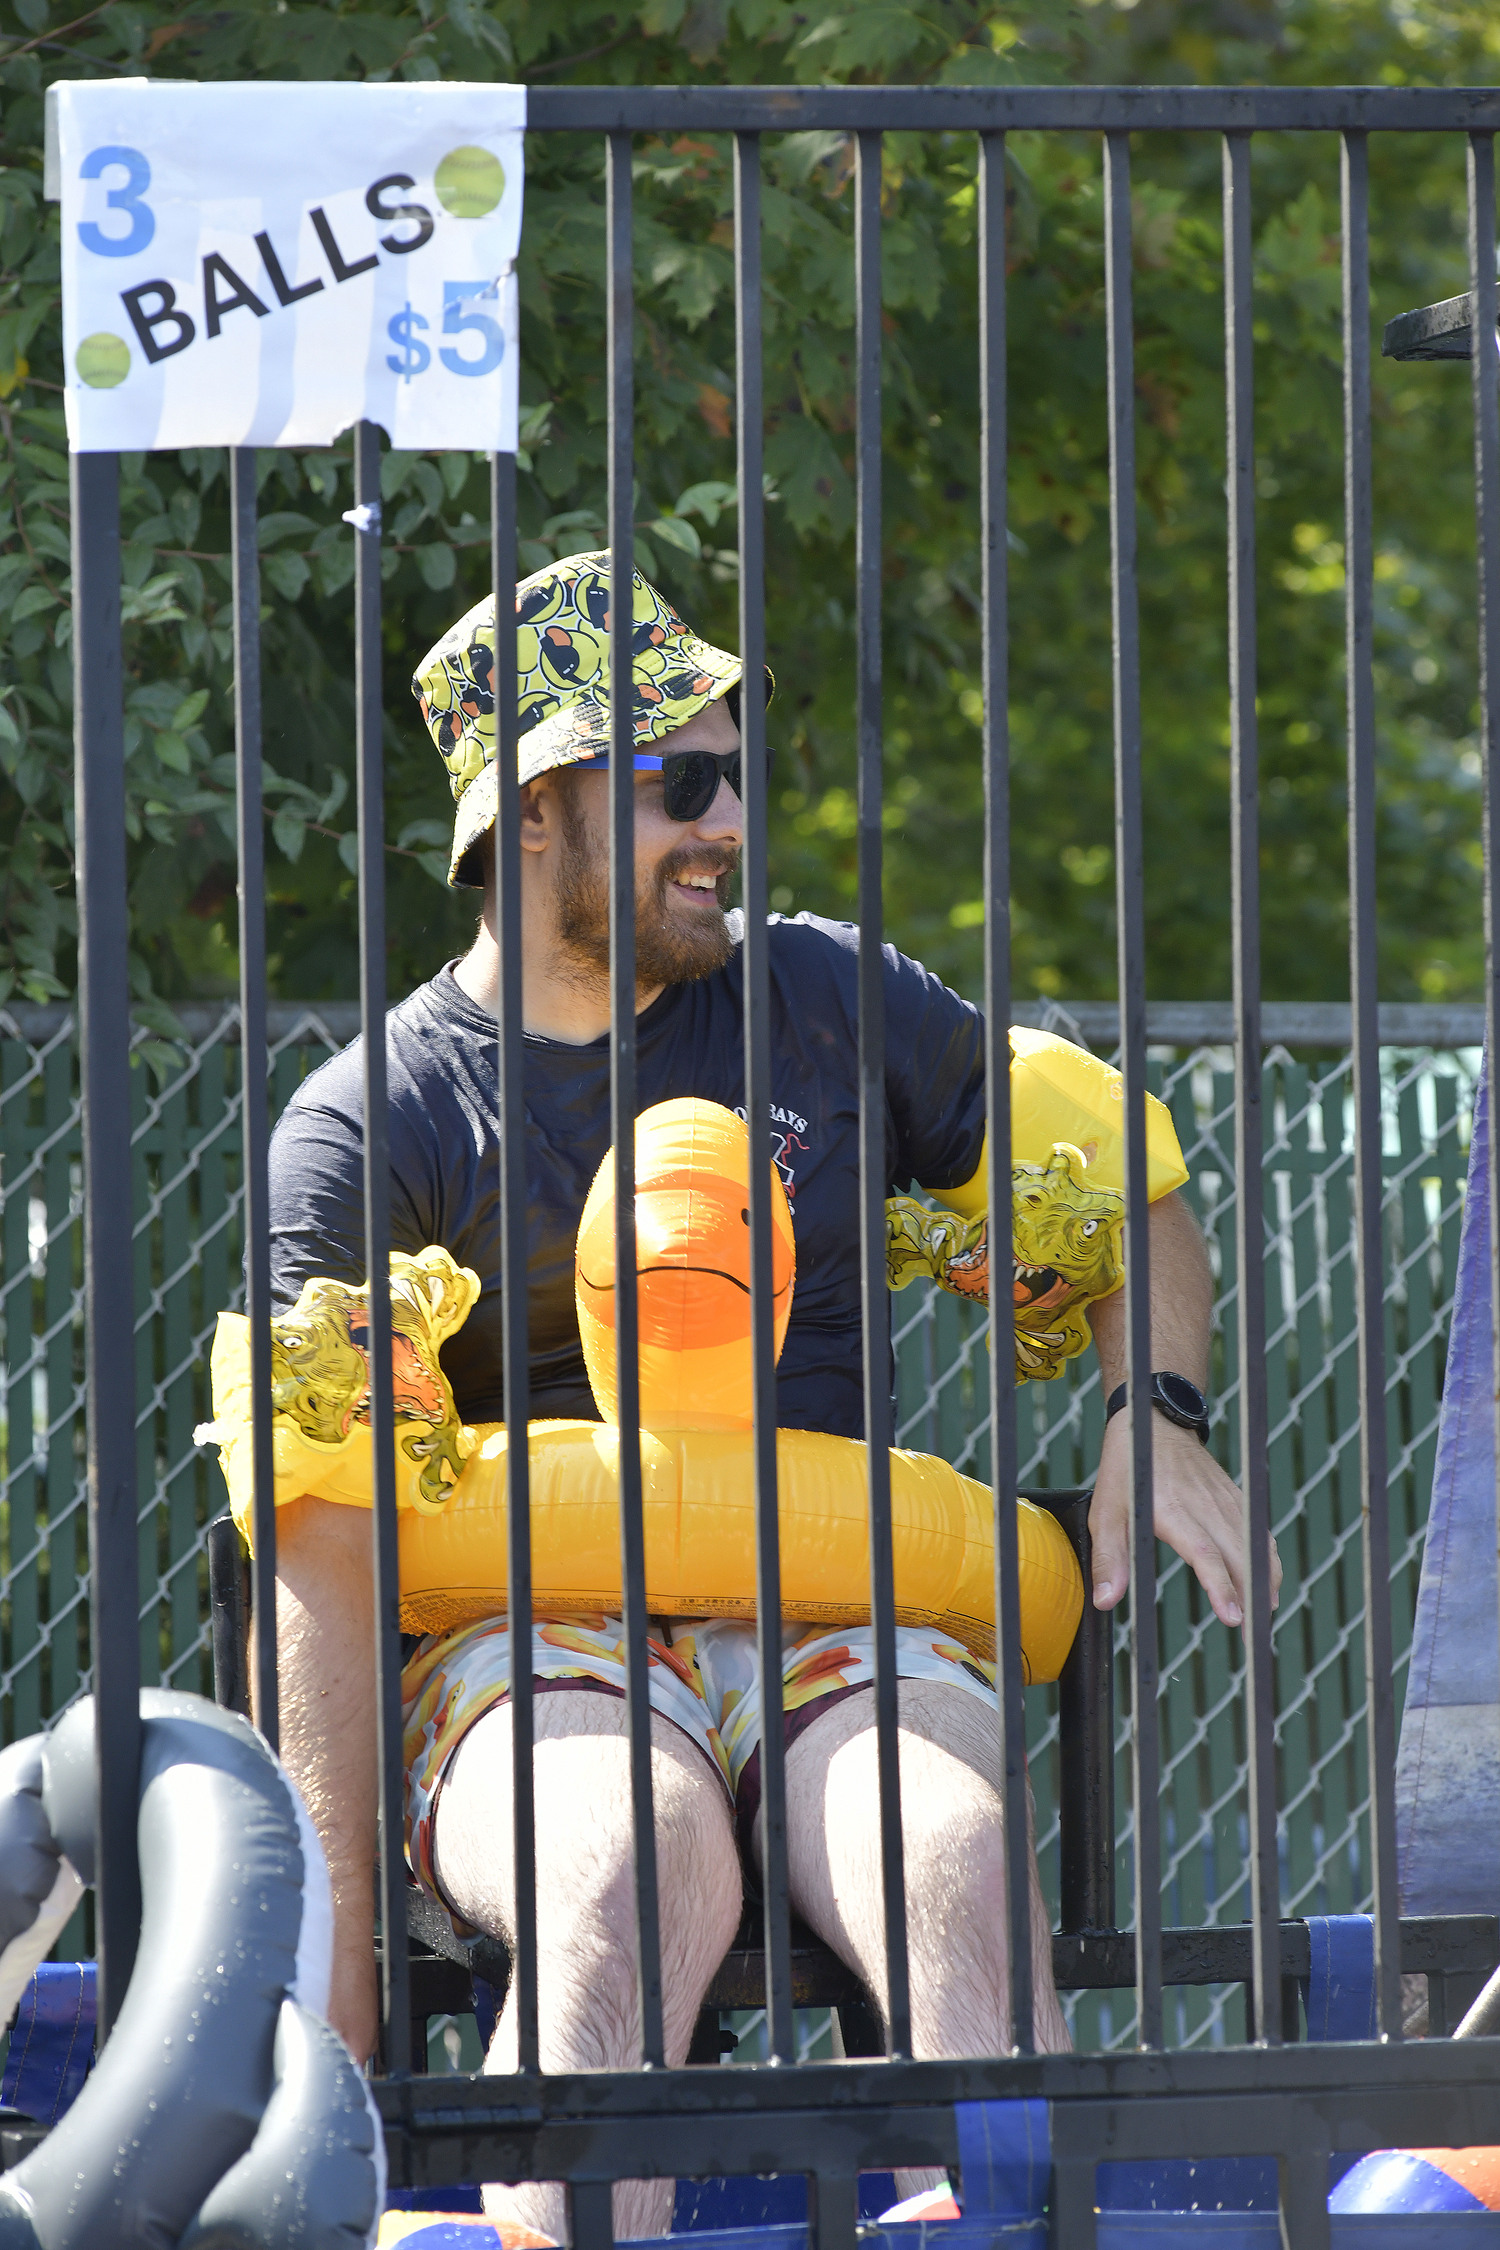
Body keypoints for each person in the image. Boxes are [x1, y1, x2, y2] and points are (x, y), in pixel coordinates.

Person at [268, 552, 1274, 2242]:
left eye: (737, 769)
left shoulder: (822, 996)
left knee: (947, 1854)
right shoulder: (375, 1121)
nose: (729, 816)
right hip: (536, 1633)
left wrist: (1152, 1410)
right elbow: (313, 1537)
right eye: (680, 779)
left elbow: (1126, 1186)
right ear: (531, 813)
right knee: (636, 1862)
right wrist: (341, 1968)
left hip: (840, 1603)